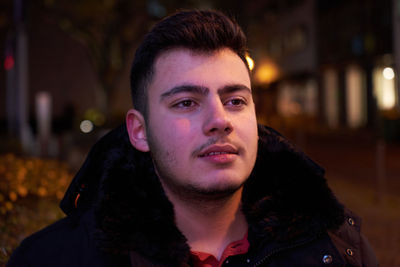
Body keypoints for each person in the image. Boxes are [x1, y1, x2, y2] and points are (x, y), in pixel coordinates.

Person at [7, 10, 377, 267]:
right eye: (186, 103)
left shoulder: (336, 245)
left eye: (235, 100)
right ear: (140, 131)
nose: (219, 120)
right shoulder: (52, 259)